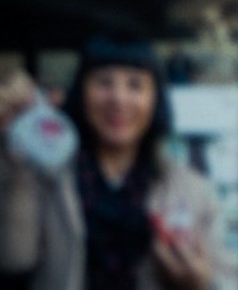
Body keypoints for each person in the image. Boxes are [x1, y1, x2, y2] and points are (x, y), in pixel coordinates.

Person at [0, 39, 225, 290]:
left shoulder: (191, 190)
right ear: (81, 92)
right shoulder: (48, 175)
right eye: (104, 82)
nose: (118, 99)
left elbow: (227, 279)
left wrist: (200, 284)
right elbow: (13, 261)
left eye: (135, 85)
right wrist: (17, 150)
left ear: (156, 99)